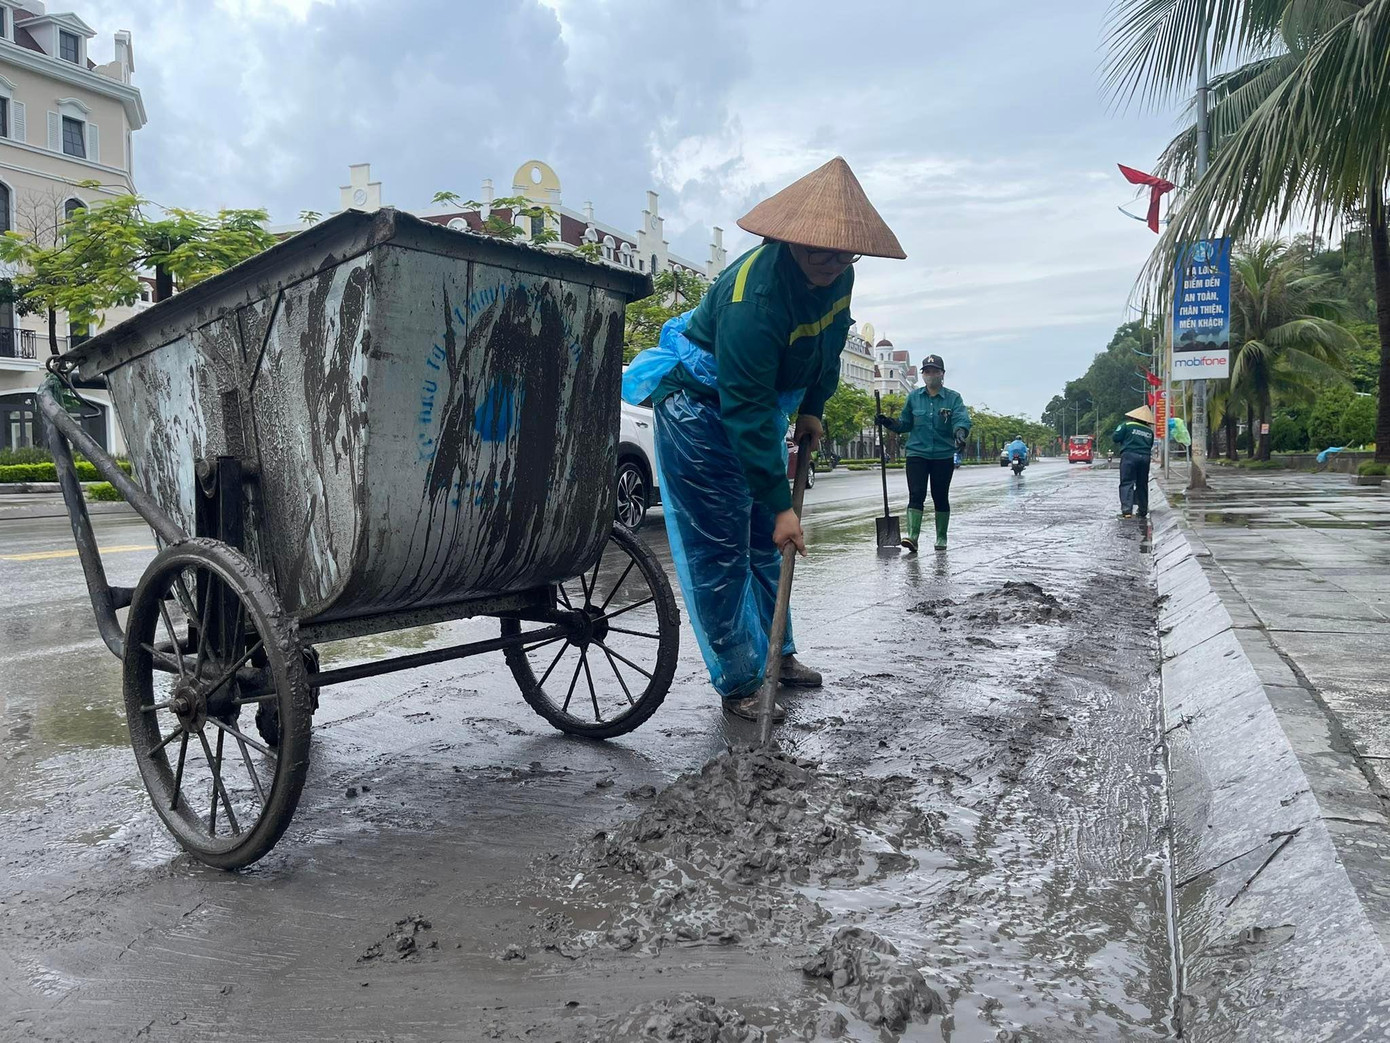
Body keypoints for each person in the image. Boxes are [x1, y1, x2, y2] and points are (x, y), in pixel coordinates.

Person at [621, 157, 905, 721]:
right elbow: (746, 410)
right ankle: (742, 680)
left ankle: (779, 652)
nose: (834, 263)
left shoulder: (838, 276)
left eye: (845, 255)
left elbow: (828, 344)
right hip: (702, 412)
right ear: (791, 241)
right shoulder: (753, 300)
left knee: (766, 547)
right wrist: (781, 507)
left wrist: (814, 408)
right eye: (822, 253)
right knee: (721, 551)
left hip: (756, 408)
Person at [875, 355, 970, 553]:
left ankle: (941, 537)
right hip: (917, 453)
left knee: (940, 495)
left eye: (935, 371)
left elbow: (960, 419)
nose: (931, 375)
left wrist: (960, 432)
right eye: (927, 371)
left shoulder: (953, 398)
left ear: (942, 374)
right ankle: (913, 537)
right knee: (916, 494)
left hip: (943, 454)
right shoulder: (914, 397)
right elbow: (905, 424)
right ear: (923, 374)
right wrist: (889, 422)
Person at [1113, 405, 1156, 517]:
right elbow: (1150, 445)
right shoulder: (1149, 431)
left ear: (1134, 417)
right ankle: (1142, 510)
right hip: (1145, 458)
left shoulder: (1127, 425)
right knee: (1142, 484)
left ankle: (1127, 511)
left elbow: (1116, 437)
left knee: (1127, 482)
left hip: (1129, 456)